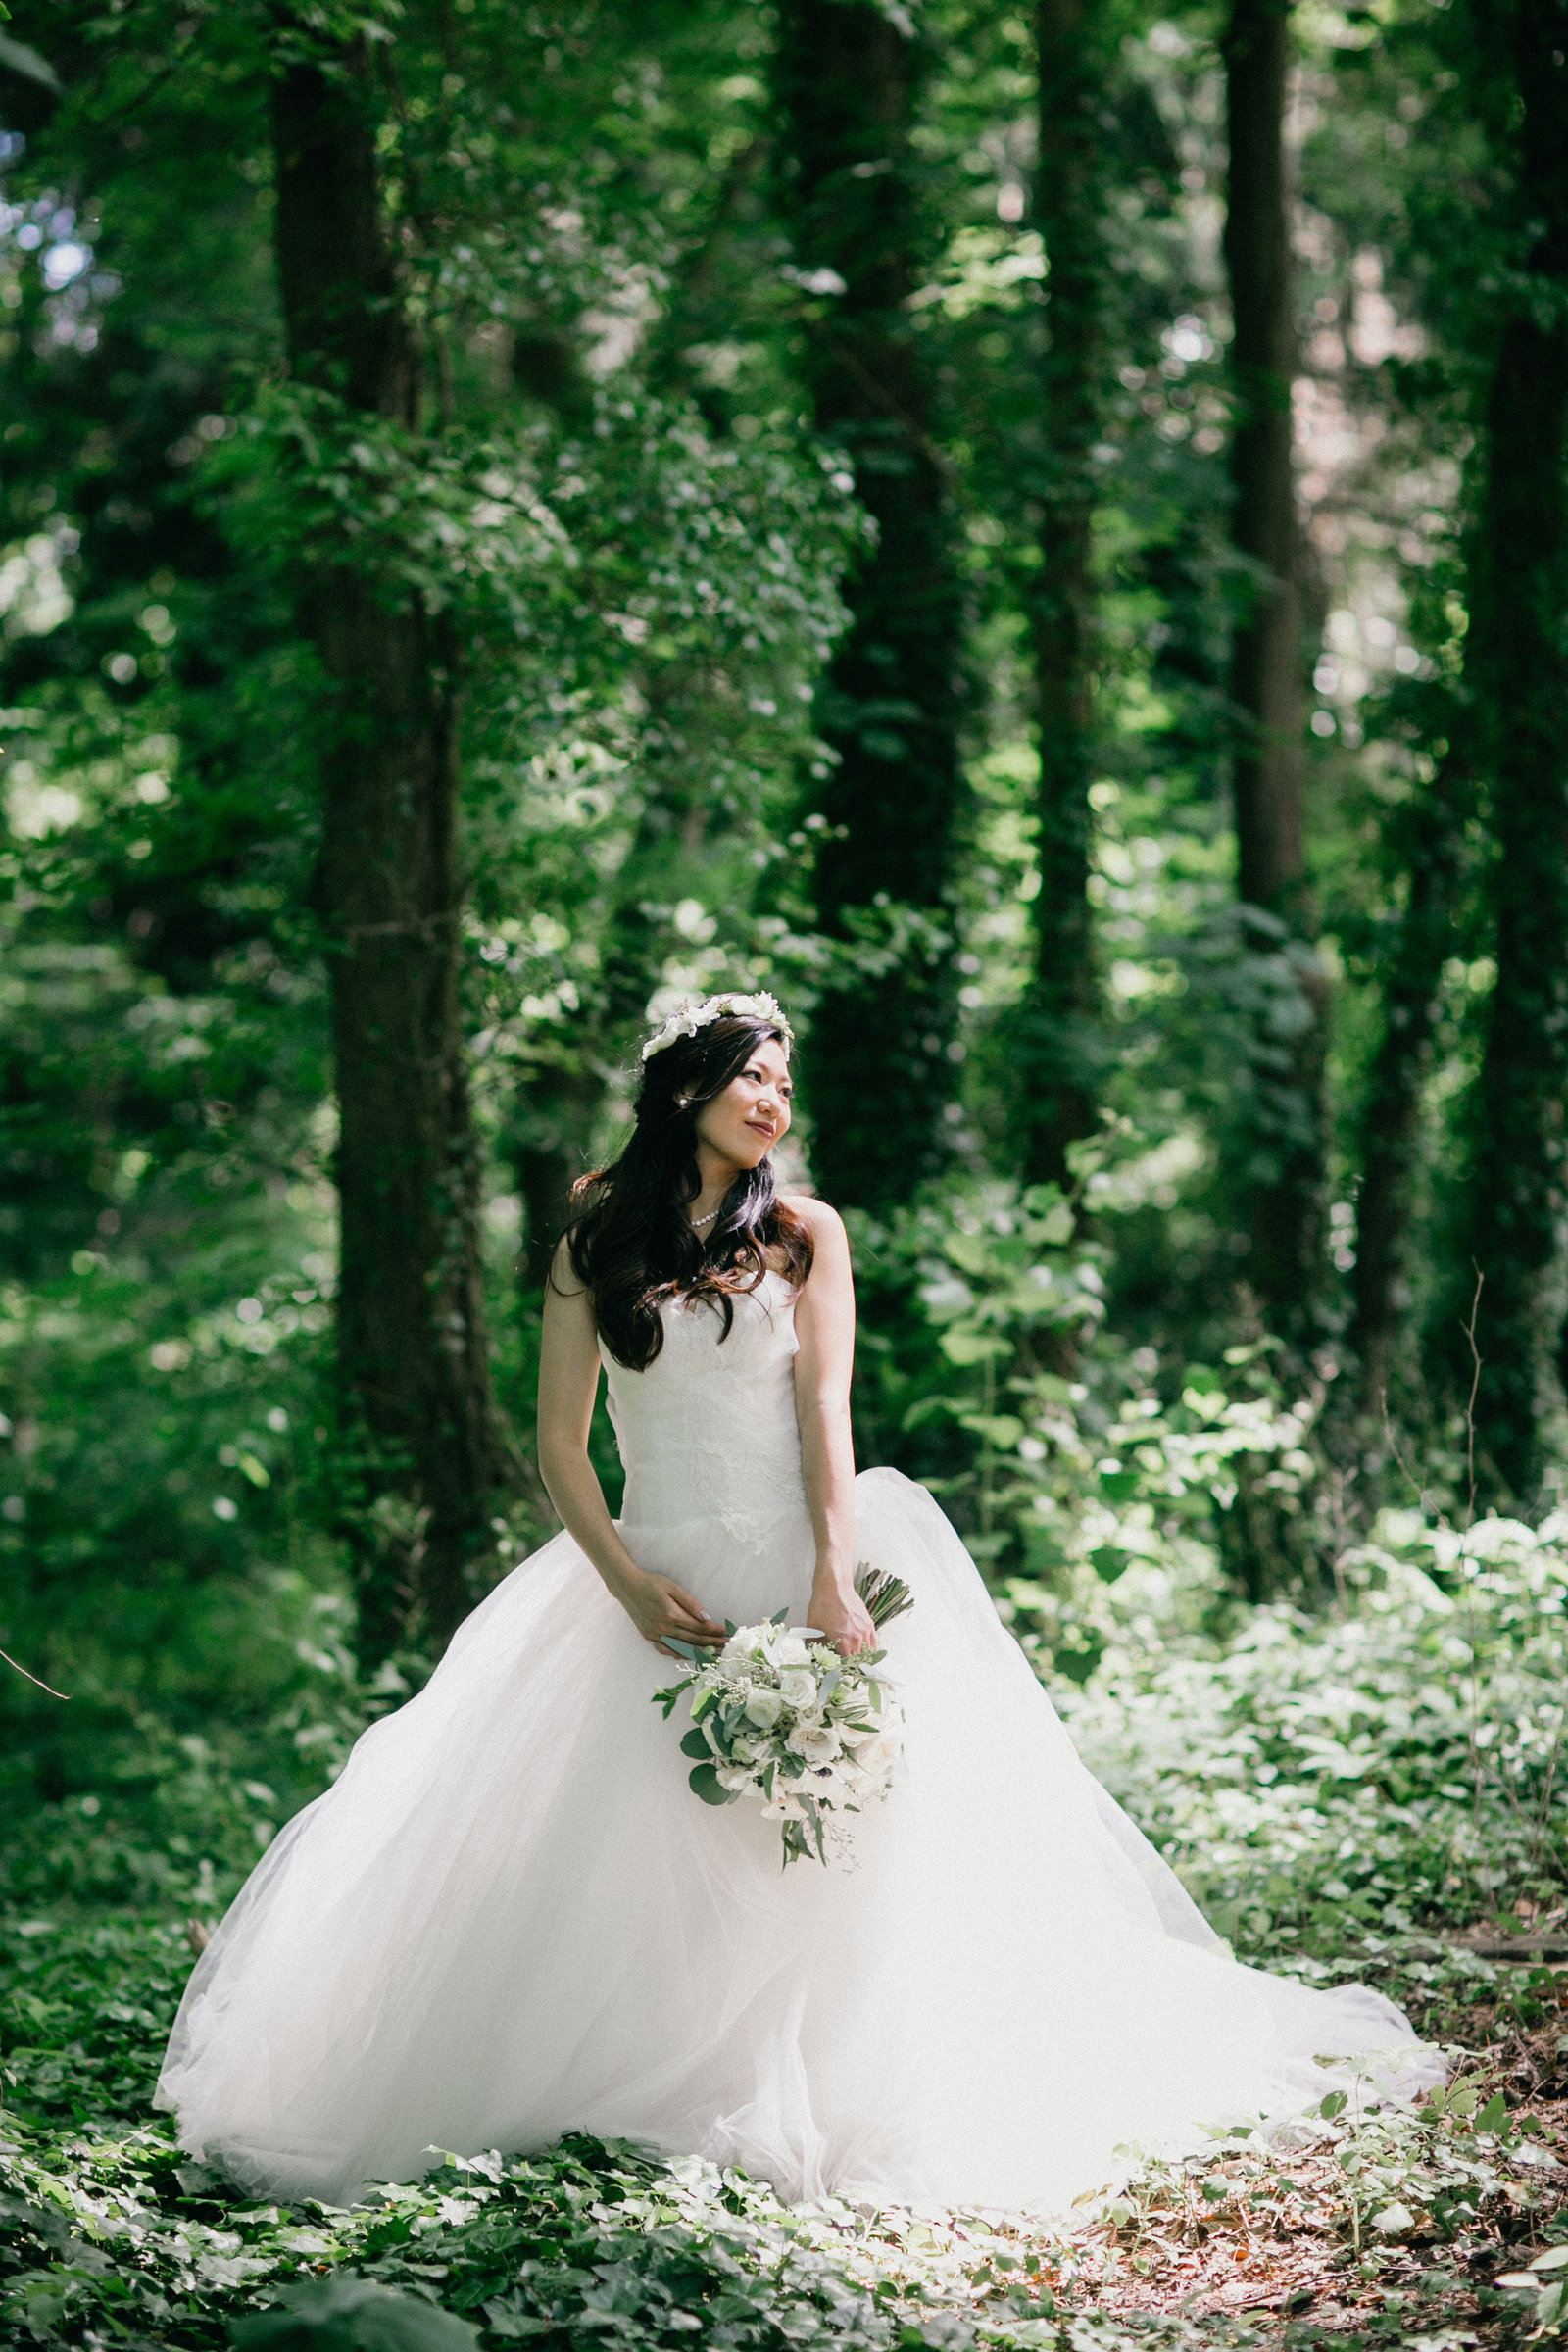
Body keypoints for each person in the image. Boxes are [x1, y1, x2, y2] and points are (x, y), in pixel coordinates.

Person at [157, 993, 1438, 2214]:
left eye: (783, 1080)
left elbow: (826, 1415)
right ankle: (649, 2080)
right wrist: (626, 1585)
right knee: (642, 1841)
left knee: (827, 1837)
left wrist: (833, 1575)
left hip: (793, 1553)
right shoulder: (594, 1238)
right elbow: (560, 1442)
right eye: (750, 1076)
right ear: (685, 1091)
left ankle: (833, 2083)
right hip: (652, 1573)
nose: (772, 1099)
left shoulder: (805, 1232)